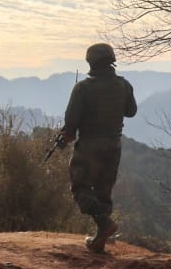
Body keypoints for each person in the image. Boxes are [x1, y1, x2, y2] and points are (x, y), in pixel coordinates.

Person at [57, 42, 137, 253]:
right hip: (114, 145)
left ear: (90, 62)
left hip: (89, 145)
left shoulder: (83, 88)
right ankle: (102, 238)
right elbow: (131, 112)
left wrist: (66, 137)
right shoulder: (124, 85)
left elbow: (71, 121)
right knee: (104, 190)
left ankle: (103, 224)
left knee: (80, 187)